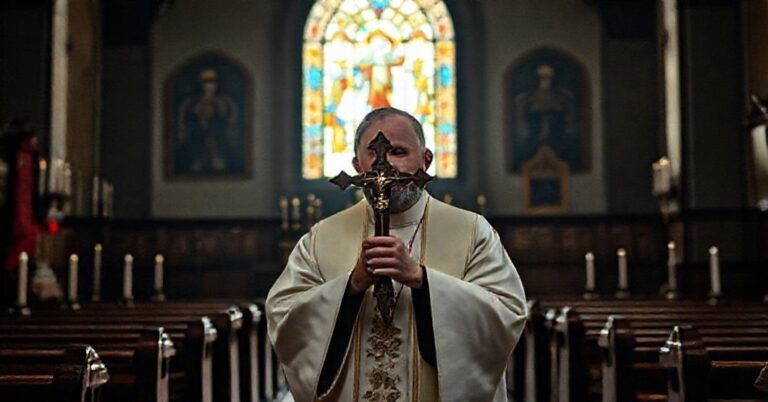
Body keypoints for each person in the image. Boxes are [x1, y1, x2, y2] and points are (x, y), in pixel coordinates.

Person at [266, 108, 527, 402]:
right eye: (374, 154)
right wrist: (351, 286)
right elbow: (283, 316)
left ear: (426, 160)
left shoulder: (473, 232)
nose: (386, 165)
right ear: (357, 166)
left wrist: (422, 279)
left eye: (399, 152)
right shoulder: (321, 238)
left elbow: (507, 313)